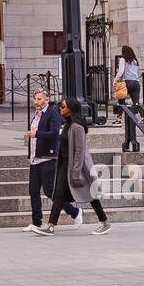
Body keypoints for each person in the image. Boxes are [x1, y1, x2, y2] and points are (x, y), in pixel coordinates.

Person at [42, 98, 111, 234]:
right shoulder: (68, 125)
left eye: (63, 107)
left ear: (71, 109)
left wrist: (76, 171)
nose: (61, 109)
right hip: (65, 165)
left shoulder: (77, 127)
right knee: (59, 195)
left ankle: (104, 222)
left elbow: (80, 151)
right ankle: (51, 225)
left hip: (76, 166)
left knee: (91, 194)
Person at [22, 89, 60, 235]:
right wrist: (29, 156)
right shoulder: (37, 115)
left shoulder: (52, 114)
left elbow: (54, 133)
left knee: (50, 191)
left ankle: (74, 211)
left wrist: (37, 134)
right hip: (35, 158)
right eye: (35, 99)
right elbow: (31, 139)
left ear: (47, 100)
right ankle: (36, 222)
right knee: (33, 190)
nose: (36, 102)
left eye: (39, 99)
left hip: (47, 158)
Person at [113, 45, 141, 124]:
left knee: (121, 102)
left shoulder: (123, 59)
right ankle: (143, 118)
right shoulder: (135, 61)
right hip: (136, 83)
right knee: (136, 102)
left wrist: (115, 80)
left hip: (127, 82)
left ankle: (118, 119)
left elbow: (121, 72)